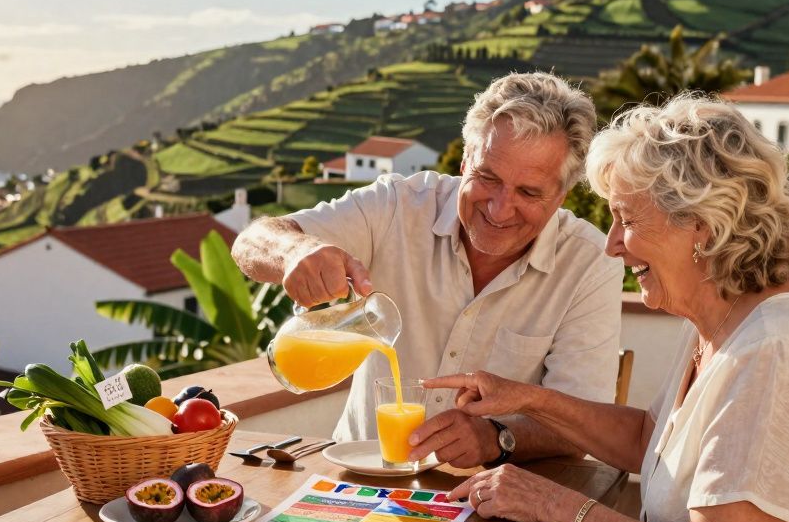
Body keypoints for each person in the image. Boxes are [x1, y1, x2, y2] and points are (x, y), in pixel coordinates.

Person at [429, 95, 789, 522]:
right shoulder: (721, 318)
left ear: (701, 225)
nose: (611, 247)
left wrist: (553, 504)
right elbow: (650, 440)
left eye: (625, 220)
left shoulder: (772, 355)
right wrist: (529, 399)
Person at [232, 72, 622, 467]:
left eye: (528, 192)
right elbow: (251, 242)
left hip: (489, 502)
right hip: (359, 478)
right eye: (487, 177)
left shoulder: (590, 264)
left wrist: (496, 436)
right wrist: (296, 251)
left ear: (560, 195)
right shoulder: (397, 206)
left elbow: (579, 424)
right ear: (465, 160)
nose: (500, 208)